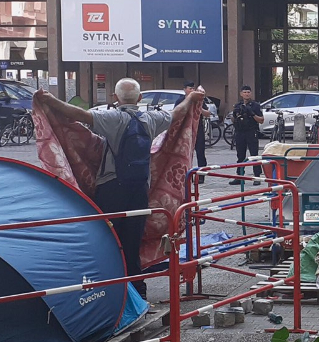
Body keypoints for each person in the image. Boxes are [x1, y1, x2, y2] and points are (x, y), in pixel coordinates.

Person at [36, 78, 204, 296]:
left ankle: (111, 288)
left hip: (111, 187)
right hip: (139, 189)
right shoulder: (152, 118)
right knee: (133, 239)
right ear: (140, 98)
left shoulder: (111, 118)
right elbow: (178, 113)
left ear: (115, 98)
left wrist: (49, 100)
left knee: (109, 239)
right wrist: (190, 98)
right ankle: (138, 289)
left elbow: (78, 114)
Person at [229, 85, 263, 185]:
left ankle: (257, 177)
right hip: (240, 132)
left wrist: (252, 114)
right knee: (240, 155)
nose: (246, 94)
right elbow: (234, 120)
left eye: (248, 92)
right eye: (244, 92)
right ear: (241, 94)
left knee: (254, 155)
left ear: (250, 93)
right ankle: (239, 176)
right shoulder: (238, 105)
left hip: (251, 132)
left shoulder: (255, 105)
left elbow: (261, 120)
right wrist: (234, 115)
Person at [185, 81, 209, 168]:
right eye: (190, 88)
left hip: (198, 129)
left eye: (193, 89)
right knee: (186, 154)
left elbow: (208, 113)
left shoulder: (200, 101)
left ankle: (201, 175)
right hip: (185, 130)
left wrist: (199, 108)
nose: (192, 90)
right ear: (185, 90)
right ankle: (187, 175)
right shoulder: (181, 100)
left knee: (200, 152)